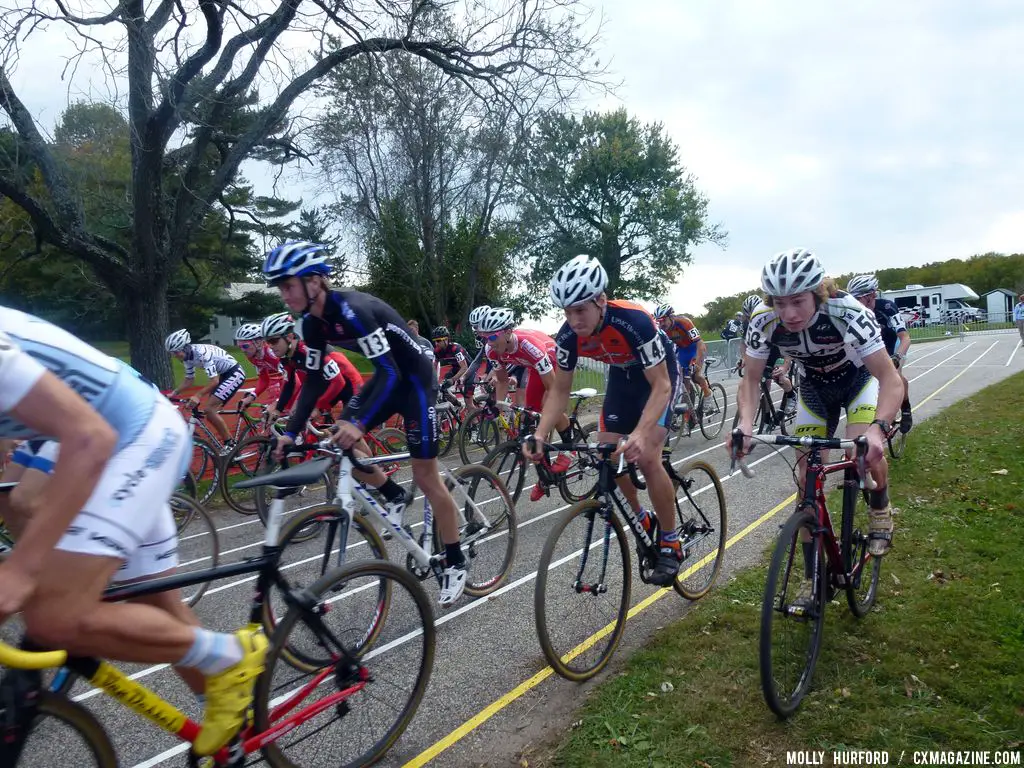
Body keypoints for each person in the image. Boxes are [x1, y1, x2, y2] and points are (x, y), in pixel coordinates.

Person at [0, 306, 267, 756]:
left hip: (134, 437)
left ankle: (233, 656)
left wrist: (24, 571)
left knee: (54, 617)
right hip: (109, 436)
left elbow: (90, 438)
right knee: (155, 602)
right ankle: (232, 734)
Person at [262, 241, 468, 606]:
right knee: (340, 438)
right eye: (279, 287)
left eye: (287, 285)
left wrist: (359, 424)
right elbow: (311, 382)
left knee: (425, 475)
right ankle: (391, 493)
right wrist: (291, 433)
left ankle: (455, 559)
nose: (283, 294)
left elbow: (389, 371)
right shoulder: (311, 324)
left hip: (416, 379)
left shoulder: (353, 310)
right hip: (389, 377)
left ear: (314, 282)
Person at [728, 249, 903, 598]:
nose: (788, 314)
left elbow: (889, 377)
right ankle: (813, 579)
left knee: (863, 452)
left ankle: (880, 507)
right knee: (807, 482)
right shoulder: (763, 321)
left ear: (817, 294)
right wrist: (745, 424)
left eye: (797, 301)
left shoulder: (847, 311)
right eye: (780, 303)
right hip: (812, 386)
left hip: (857, 381)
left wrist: (878, 429)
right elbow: (749, 380)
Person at [525, 255, 683, 586]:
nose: (573, 319)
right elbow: (559, 392)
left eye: (580, 309)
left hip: (659, 377)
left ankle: (670, 541)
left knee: (648, 455)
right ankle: (643, 519)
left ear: (600, 300)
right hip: (623, 379)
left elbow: (662, 386)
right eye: (567, 311)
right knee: (607, 452)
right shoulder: (568, 336)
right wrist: (540, 433)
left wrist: (640, 434)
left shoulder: (633, 321)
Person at [478, 307, 574, 501]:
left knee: (548, 409)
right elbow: (503, 382)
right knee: (529, 420)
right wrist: (497, 406)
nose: (489, 343)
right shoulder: (492, 350)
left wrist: (547, 415)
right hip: (533, 367)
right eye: (484, 337)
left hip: (550, 357)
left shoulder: (530, 347)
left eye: (493, 337)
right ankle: (545, 478)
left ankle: (569, 448)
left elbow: (553, 390)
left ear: (507, 332)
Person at [260, 312, 364, 425]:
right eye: (267, 342)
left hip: (349, 384)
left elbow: (339, 382)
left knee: (345, 430)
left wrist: (318, 406)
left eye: (273, 341)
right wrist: (277, 409)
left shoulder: (309, 350)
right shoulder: (286, 356)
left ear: (289, 337)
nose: (270, 346)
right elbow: (289, 385)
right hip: (327, 385)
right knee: (305, 421)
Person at [846, 274, 913, 433]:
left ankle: (905, 408)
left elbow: (905, 338)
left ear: (871, 296)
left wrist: (897, 357)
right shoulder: (852, 310)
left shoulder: (887, 308)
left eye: (858, 299)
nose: (854, 303)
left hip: (891, 343)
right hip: (870, 347)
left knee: (893, 373)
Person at [165, 330, 246, 447]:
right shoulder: (187, 357)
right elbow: (189, 380)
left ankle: (230, 444)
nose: (175, 356)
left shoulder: (202, 353)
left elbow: (214, 380)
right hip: (224, 374)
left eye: (176, 352)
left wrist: (198, 395)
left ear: (185, 347)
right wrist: (173, 393)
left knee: (209, 410)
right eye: (172, 353)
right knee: (210, 411)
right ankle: (227, 441)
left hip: (234, 373)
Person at [738, 293, 797, 419]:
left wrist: (785, 366)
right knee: (764, 384)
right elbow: (743, 344)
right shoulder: (746, 325)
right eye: (749, 318)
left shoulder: (774, 319)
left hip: (779, 352)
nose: (752, 320)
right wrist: (744, 358)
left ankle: (791, 394)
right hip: (763, 354)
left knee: (778, 376)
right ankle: (766, 419)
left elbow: (788, 346)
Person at [652, 304, 712, 421]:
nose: (662, 324)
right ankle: (686, 413)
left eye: (663, 320)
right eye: (659, 321)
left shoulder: (684, 322)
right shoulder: (661, 330)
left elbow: (700, 344)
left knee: (696, 375)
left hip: (695, 348)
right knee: (680, 380)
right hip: (683, 351)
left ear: (671, 317)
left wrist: (697, 365)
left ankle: (707, 394)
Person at [233, 323, 284, 410]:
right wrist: (251, 397)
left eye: (245, 346)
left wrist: (277, 402)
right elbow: (264, 380)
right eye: (239, 347)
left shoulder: (272, 354)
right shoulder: (253, 356)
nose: (242, 350)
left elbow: (293, 380)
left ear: (258, 342)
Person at [431, 326, 469, 391]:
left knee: (467, 395)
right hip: (456, 368)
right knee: (444, 385)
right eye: (435, 341)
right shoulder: (437, 351)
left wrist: (453, 379)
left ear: (446, 339)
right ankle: (455, 401)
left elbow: (464, 368)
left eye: (438, 341)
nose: (436, 343)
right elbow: (434, 367)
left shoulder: (455, 349)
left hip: (469, 368)